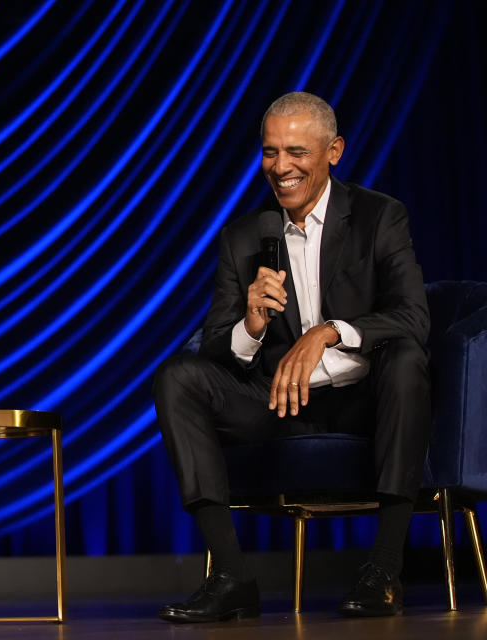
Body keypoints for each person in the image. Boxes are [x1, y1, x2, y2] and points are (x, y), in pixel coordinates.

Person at [152, 92, 430, 622]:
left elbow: (413, 316)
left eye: (296, 152)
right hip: (278, 403)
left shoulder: (378, 216)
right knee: (177, 378)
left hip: (361, 397)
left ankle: (384, 569)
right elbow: (216, 348)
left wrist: (326, 332)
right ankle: (231, 575)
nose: (281, 168)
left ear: (334, 151)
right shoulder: (244, 237)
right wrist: (251, 325)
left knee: (407, 361)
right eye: (270, 153)